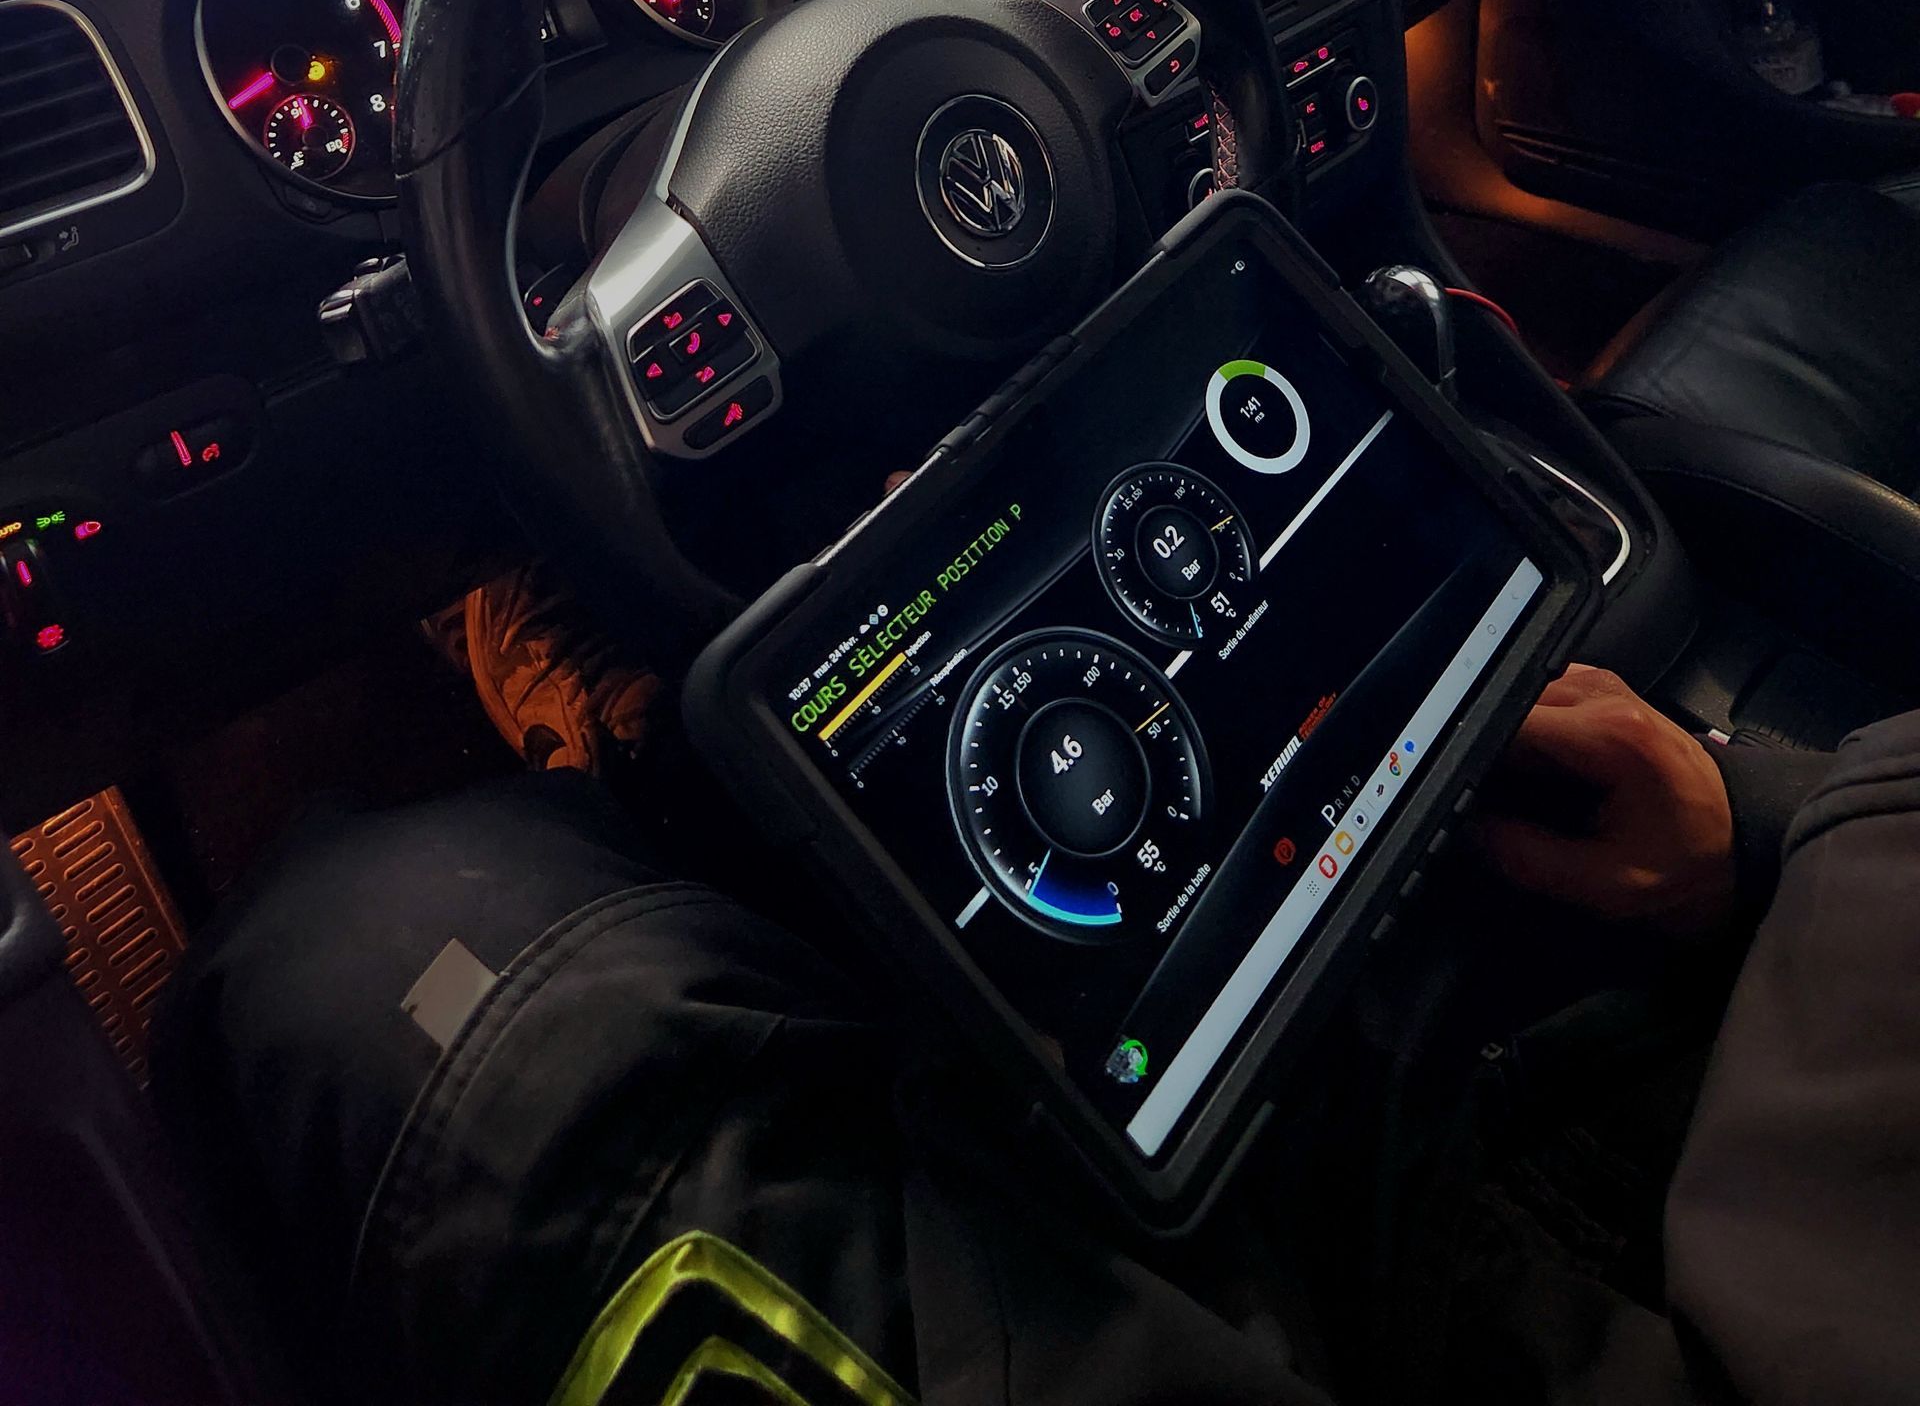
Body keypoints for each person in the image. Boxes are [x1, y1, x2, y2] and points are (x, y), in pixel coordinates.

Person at [152, 595, 1920, 1406]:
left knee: (354, 947)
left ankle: (651, 779)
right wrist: (1772, 821)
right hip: (1786, 1124)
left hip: (1592, 1308)